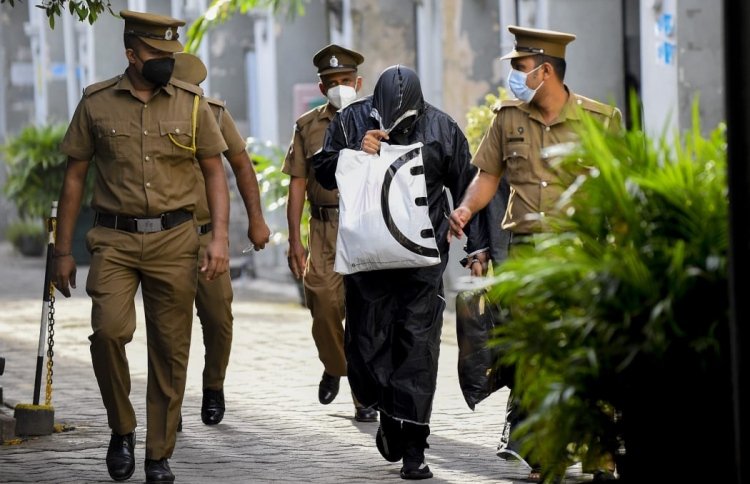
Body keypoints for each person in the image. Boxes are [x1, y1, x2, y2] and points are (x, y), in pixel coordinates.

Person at [53, 10, 230, 484]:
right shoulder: (96, 103)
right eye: (156, 55)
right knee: (108, 333)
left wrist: (219, 239)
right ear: (131, 54)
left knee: (171, 351)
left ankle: (158, 453)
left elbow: (216, 171)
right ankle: (122, 427)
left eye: (171, 54)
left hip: (175, 239)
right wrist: (62, 250)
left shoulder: (191, 104)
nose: (167, 62)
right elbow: (74, 178)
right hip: (113, 239)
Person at [447, 25, 621, 482]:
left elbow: (618, 193)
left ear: (546, 70)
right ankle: (547, 450)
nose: (514, 77)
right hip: (525, 255)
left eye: (521, 68)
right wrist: (465, 208)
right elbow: (486, 176)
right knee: (535, 355)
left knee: (585, 350)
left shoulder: (600, 121)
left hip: (580, 254)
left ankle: (601, 451)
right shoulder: (507, 118)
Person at [313, 64, 483, 480]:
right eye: (389, 121)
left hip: (422, 263)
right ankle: (388, 411)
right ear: (375, 106)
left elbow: (470, 184)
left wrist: (475, 244)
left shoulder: (443, 128)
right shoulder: (352, 120)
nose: (395, 128)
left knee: (417, 346)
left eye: (404, 123)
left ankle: (414, 446)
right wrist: (355, 153)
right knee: (367, 344)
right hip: (368, 260)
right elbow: (323, 171)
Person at [171, 52, 271, 428]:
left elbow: (242, 163)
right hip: (165, 239)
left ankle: (213, 385)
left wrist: (256, 221)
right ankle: (170, 401)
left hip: (206, 235)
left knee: (218, 319)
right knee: (170, 325)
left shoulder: (211, 113)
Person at [282, 44, 377, 423]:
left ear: (358, 82)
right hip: (324, 225)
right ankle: (334, 364)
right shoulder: (307, 126)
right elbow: (297, 183)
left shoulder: (375, 119)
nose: (340, 87)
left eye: (345, 80)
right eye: (331, 82)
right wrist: (294, 239)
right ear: (322, 88)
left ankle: (362, 394)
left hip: (366, 223)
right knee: (322, 303)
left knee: (362, 313)